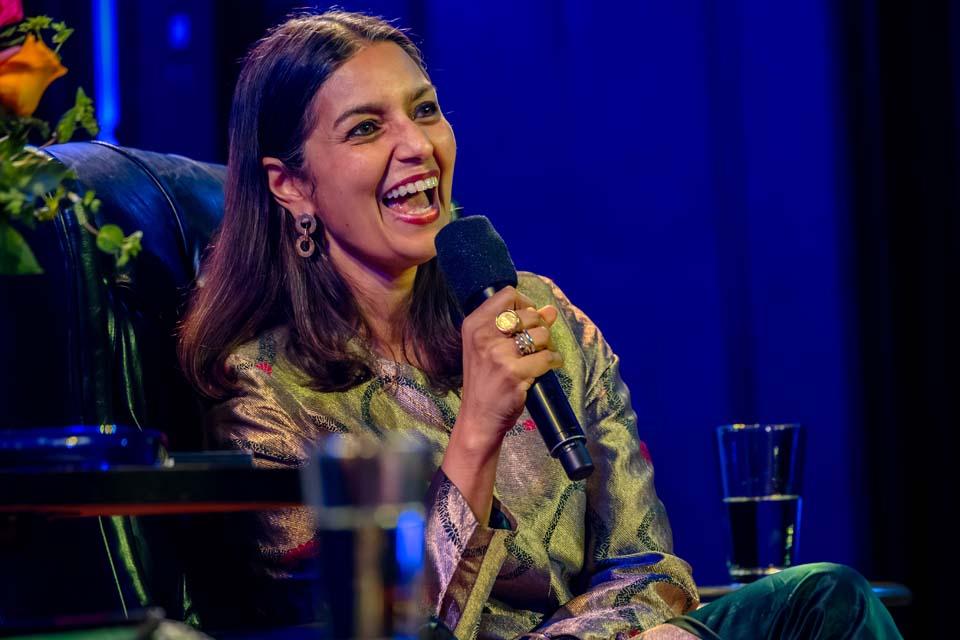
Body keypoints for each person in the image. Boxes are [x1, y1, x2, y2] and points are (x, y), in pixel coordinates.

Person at [177, 11, 902, 639]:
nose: (416, 146)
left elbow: (646, 562)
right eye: (367, 127)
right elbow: (379, 626)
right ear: (290, 184)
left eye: (424, 110)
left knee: (825, 596)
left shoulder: (536, 315)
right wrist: (477, 432)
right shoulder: (265, 394)